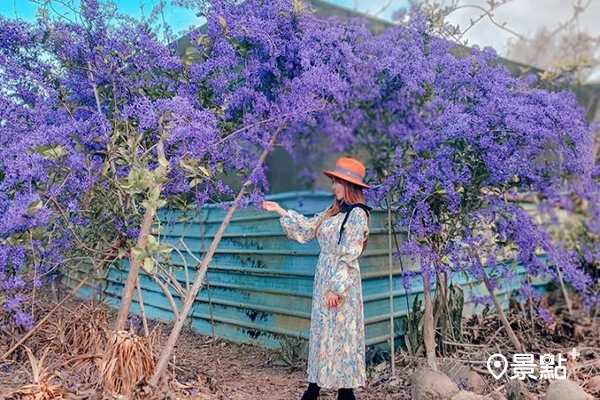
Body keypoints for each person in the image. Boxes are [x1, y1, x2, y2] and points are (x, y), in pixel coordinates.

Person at [262, 156, 372, 400]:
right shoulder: (333, 211)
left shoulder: (356, 215)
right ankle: (315, 386)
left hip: (340, 283)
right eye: (334, 181)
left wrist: (337, 287)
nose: (333, 187)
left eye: (337, 182)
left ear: (349, 186)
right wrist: (280, 211)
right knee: (323, 332)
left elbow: (351, 254)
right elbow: (307, 229)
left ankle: (344, 392)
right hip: (324, 278)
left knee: (343, 334)